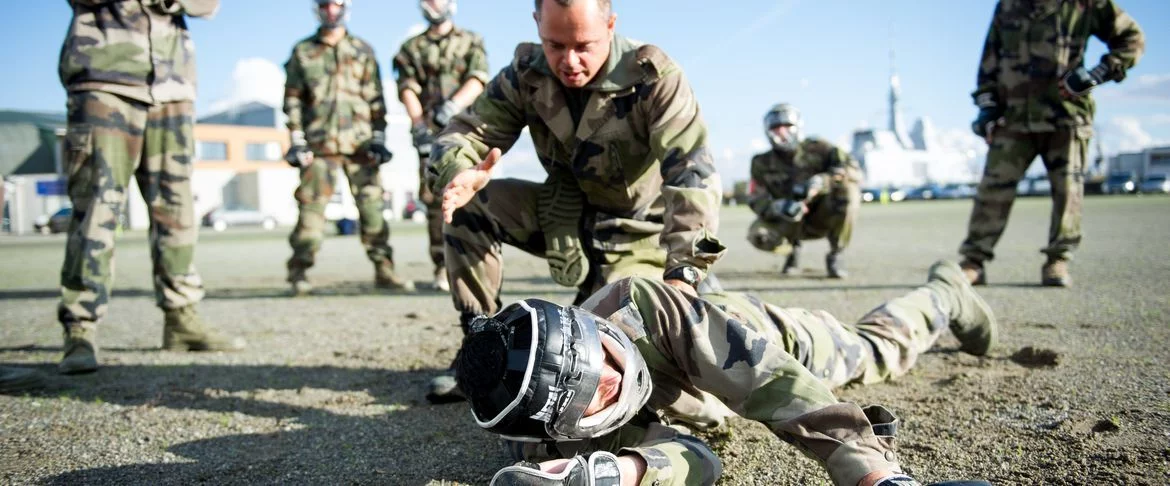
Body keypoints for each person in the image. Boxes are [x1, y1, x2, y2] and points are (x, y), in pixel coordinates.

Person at [457, 260, 997, 486]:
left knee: (878, 349)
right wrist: (617, 473)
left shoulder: (634, 306)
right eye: (595, 397)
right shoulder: (545, 438)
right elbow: (700, 457)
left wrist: (878, 478)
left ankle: (945, 290)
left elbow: (770, 383)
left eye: (607, 358)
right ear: (562, 429)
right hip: (691, 395)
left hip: (755, 339)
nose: (613, 380)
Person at [425, 0, 725, 401]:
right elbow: (465, 132)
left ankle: (685, 289)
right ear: (537, 24)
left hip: (633, 234)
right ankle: (481, 346)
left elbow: (691, 175)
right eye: (554, 45)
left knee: (597, 354)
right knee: (471, 204)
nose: (569, 61)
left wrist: (684, 273)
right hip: (561, 215)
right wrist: (458, 169)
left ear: (611, 24)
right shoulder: (525, 74)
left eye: (584, 46)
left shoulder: (653, 78)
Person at [56, 0, 244, 374]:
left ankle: (181, 317)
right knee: (97, 205)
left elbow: (207, 5)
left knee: (177, 210)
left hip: (172, 85)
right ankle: (81, 327)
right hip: (104, 77)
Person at [959, 0, 1144, 287]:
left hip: (1065, 116)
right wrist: (987, 107)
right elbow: (989, 60)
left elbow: (1131, 39)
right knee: (992, 189)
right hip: (1014, 117)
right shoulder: (1008, 6)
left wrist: (1098, 74)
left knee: (1068, 190)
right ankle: (974, 261)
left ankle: (1058, 260)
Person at [282, 0, 414, 295]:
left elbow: (376, 99)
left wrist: (379, 138)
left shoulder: (363, 50)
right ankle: (298, 273)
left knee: (373, 213)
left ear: (345, 8)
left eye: (337, 5)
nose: (331, 10)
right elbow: (292, 100)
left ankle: (385, 271)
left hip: (361, 146)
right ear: (318, 9)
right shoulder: (303, 52)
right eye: (326, 5)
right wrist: (295, 139)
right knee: (310, 215)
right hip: (319, 147)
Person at [393, 0, 490, 292]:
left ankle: (480, 265)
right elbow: (407, 87)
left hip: (469, 130)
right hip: (431, 137)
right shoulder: (412, 47)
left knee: (477, 195)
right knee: (435, 199)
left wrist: (452, 105)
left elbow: (478, 78)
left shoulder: (471, 41)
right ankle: (441, 267)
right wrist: (419, 124)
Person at [747, 103, 863, 278]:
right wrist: (778, 207)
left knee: (849, 193)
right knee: (759, 235)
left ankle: (836, 253)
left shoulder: (820, 148)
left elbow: (853, 170)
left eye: (786, 126)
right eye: (776, 128)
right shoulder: (761, 163)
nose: (781, 132)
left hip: (821, 215)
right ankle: (791, 251)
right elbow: (755, 198)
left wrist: (822, 181)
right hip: (788, 219)